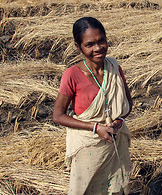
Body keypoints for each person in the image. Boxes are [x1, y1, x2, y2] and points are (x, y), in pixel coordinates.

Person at [53, 17, 133, 195]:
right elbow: (58, 116)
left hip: (114, 141)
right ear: (78, 46)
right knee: (86, 189)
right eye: (89, 44)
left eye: (101, 41)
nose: (98, 48)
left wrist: (119, 120)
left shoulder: (113, 67)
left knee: (116, 187)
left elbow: (127, 103)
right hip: (88, 146)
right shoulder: (72, 75)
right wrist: (96, 128)